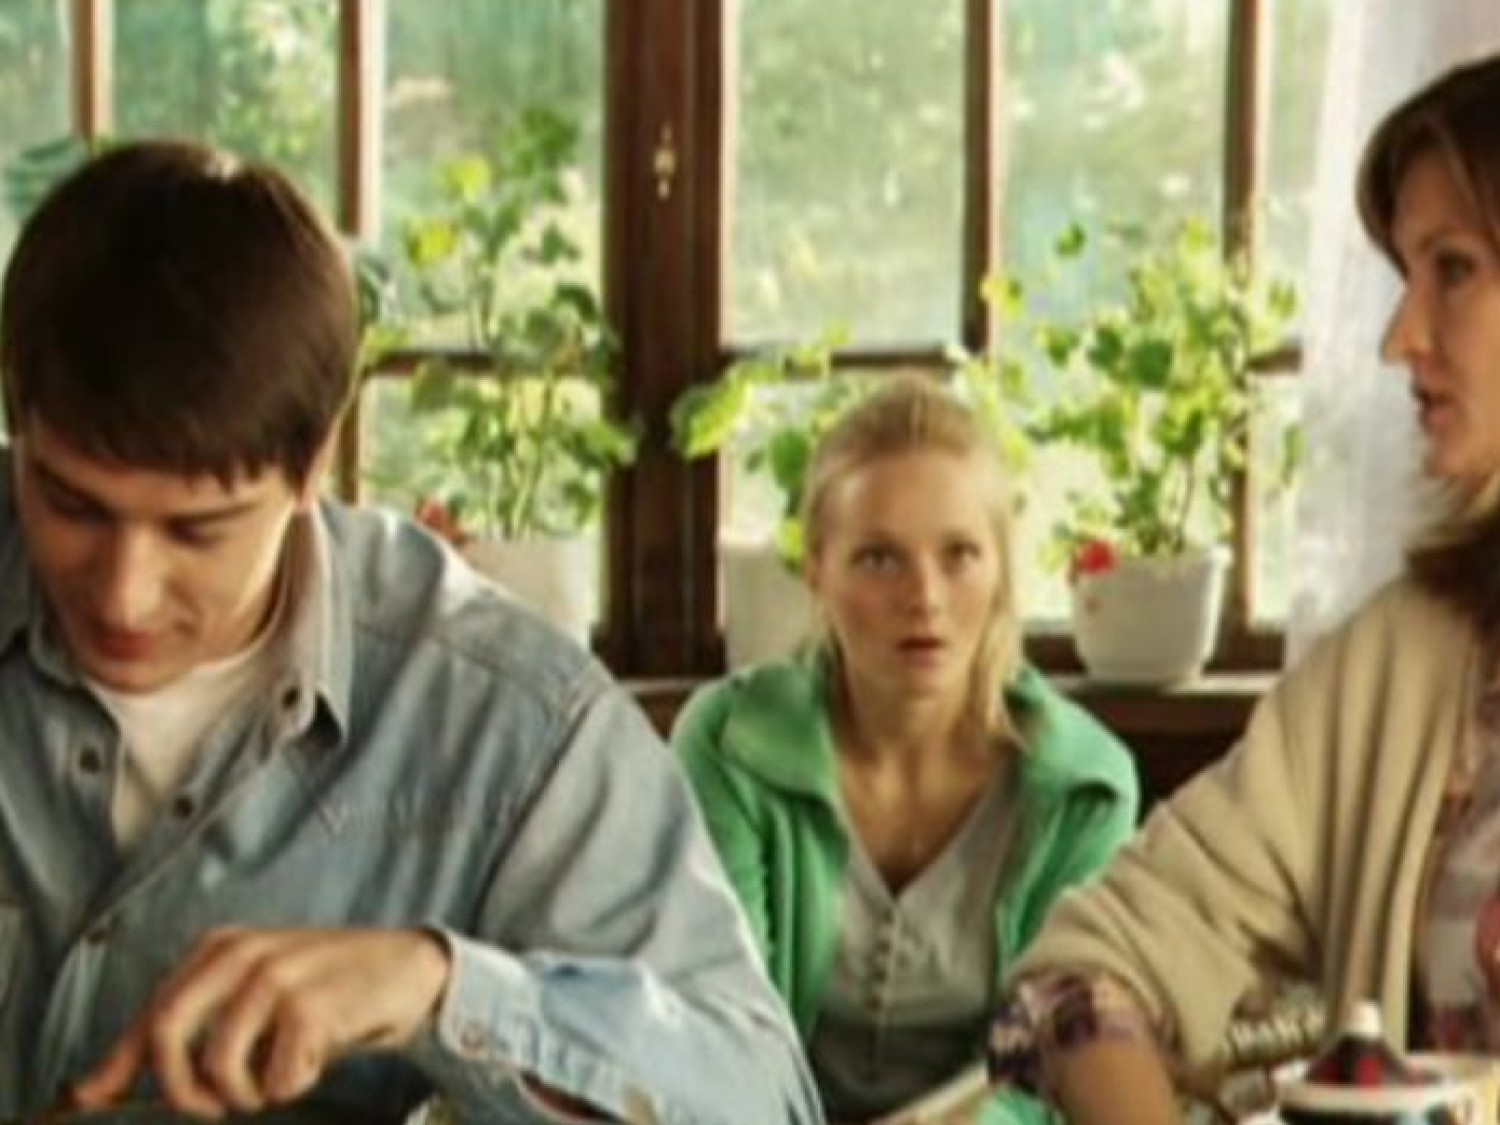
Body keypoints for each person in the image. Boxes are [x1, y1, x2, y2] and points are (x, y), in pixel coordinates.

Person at [0, 139, 820, 1125]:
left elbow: (760, 1100)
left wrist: (435, 990)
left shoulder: (501, 714)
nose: (124, 595)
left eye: (197, 532)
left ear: (316, 465)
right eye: (71, 506)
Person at [985, 52, 1500, 1125]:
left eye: (1452, 269)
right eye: (1405, 276)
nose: (1399, 336)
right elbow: (1078, 974)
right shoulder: (1398, 672)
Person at [671, 375, 1139, 1124]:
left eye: (959, 554)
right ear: (816, 570)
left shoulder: (1085, 787)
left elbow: (1051, 1071)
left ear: (1001, 568)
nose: (924, 596)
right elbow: (719, 1027)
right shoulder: (731, 744)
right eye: (879, 558)